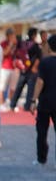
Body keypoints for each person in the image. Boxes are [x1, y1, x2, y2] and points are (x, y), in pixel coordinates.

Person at [31, 32, 56, 167]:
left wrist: (33, 100)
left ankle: (41, 159)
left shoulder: (45, 62)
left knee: (42, 132)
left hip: (45, 102)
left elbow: (40, 82)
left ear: (49, 46)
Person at [10, 27, 41, 112]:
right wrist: (35, 67)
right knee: (30, 90)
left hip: (23, 69)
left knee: (19, 88)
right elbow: (38, 57)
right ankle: (27, 106)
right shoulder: (35, 45)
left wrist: (19, 65)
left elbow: (16, 53)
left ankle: (12, 104)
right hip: (31, 70)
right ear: (34, 35)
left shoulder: (22, 43)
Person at [0, 27, 19, 109]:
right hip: (4, 67)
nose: (12, 37)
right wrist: (10, 45)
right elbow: (4, 53)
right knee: (2, 87)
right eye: (11, 35)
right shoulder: (3, 43)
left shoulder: (17, 44)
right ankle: (1, 104)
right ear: (7, 36)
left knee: (13, 87)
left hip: (14, 68)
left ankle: (11, 103)